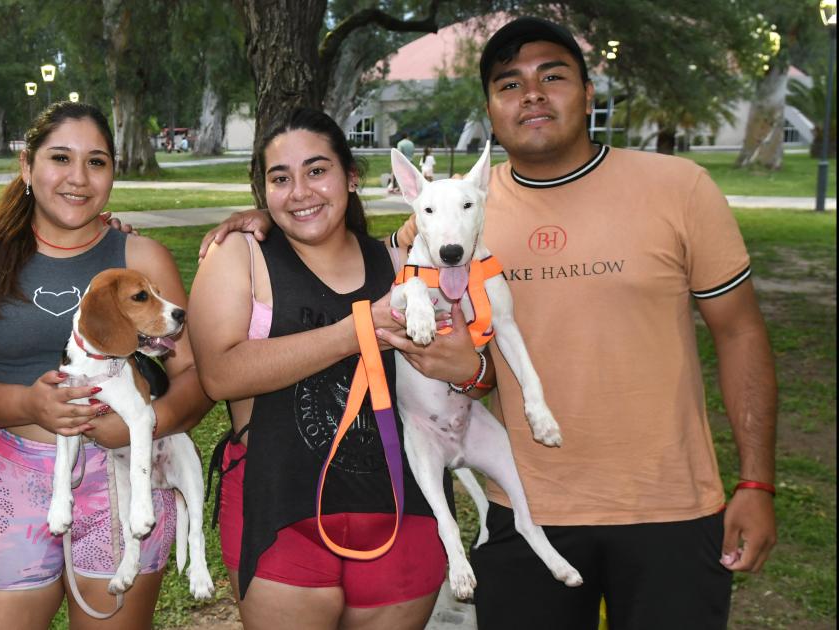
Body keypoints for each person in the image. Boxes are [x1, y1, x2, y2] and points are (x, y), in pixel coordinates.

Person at [199, 16, 778, 630]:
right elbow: (329, 226)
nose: (531, 94)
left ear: (588, 90)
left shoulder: (678, 188)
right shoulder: (451, 211)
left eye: (552, 76)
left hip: (670, 506)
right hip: (521, 503)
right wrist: (261, 215)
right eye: (509, 83)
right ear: (490, 107)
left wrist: (757, 483)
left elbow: (740, 333)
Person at [190, 108, 488, 630]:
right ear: (263, 191)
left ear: (351, 177)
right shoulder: (240, 256)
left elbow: (474, 357)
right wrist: (359, 329)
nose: (300, 190)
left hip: (401, 509)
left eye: (317, 170)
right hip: (280, 510)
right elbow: (220, 375)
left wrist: (472, 370)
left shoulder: (402, 264)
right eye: (280, 178)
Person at [0, 101, 213, 630]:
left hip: (125, 477)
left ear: (113, 172)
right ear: (27, 167)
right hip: (18, 477)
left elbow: (196, 376)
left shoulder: (141, 259)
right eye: (60, 157)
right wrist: (25, 402)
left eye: (97, 162)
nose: (78, 178)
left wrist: (137, 425)